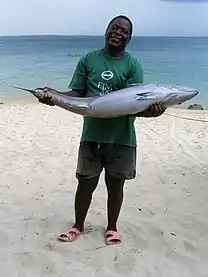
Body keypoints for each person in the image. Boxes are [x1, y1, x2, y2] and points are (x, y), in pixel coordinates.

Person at [39, 15, 166, 245]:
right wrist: (54, 96)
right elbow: (77, 94)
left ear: (129, 38)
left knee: (116, 184)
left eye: (124, 30)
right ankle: (78, 225)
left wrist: (151, 111)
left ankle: (112, 228)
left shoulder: (132, 64)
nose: (118, 32)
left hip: (123, 137)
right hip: (92, 135)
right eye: (114, 27)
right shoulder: (88, 60)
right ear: (106, 30)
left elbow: (133, 103)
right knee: (85, 182)